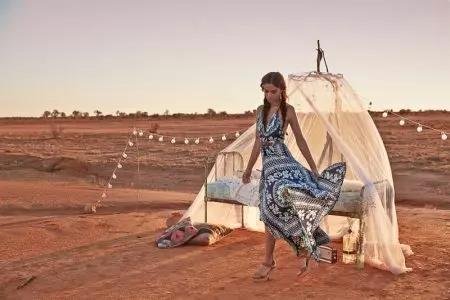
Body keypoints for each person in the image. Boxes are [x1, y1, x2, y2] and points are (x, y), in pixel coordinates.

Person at [242, 72, 346, 280]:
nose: (269, 95)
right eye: (265, 91)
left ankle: (302, 249)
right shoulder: (260, 111)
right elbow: (257, 143)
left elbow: (300, 140)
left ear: (282, 91)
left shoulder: (287, 111)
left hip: (284, 162)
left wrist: (314, 168)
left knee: (284, 195)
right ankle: (269, 260)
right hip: (268, 166)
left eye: (273, 91)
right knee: (267, 210)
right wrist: (248, 168)